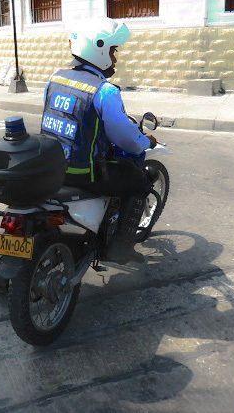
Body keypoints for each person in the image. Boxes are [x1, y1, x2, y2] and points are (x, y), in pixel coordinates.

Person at [41, 18, 157, 265]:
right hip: (84, 173)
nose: (115, 59)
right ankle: (121, 246)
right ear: (100, 49)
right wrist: (145, 141)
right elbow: (125, 138)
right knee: (140, 181)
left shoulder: (55, 78)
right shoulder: (105, 91)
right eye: (113, 52)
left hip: (50, 167)